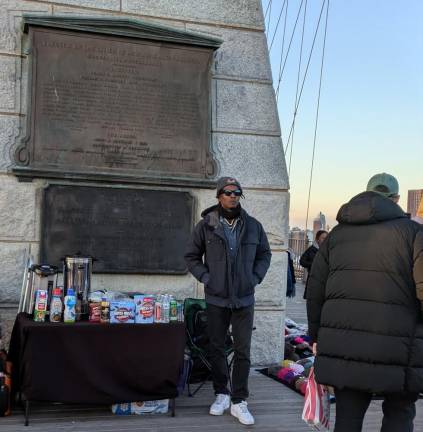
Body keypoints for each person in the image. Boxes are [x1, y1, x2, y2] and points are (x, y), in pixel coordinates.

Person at [307, 172, 423, 432]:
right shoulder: (414, 234)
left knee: (347, 418)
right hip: (400, 347)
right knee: (400, 414)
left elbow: (315, 290)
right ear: (396, 199)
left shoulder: (336, 235)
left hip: (344, 344)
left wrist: (315, 335)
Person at [185, 176, 271, 426]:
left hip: (244, 298)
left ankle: (239, 400)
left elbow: (264, 254)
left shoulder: (253, 226)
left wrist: (254, 277)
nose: (233, 195)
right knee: (217, 347)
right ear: (219, 195)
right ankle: (221, 393)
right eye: (228, 191)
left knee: (243, 350)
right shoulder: (206, 225)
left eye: (237, 192)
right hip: (216, 298)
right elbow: (191, 256)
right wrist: (207, 278)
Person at [299, 230, 328, 299]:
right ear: (317, 239)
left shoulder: (329, 250)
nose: (325, 240)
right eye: (323, 238)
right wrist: (314, 264)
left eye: (326, 238)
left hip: (326, 281)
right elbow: (302, 261)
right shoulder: (311, 249)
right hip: (314, 280)